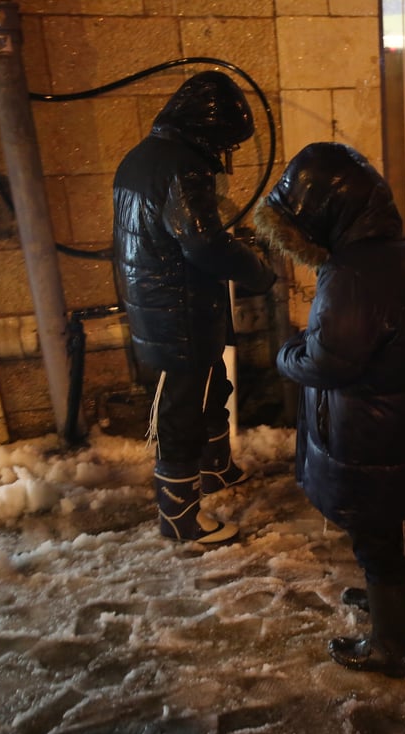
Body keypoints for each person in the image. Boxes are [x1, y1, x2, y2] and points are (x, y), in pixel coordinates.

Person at [254, 142, 405, 679]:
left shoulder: (354, 272)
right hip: (398, 422)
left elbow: (330, 360)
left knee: (375, 533)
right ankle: (395, 607)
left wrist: (288, 353)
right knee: (393, 521)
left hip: (368, 432)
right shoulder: (401, 250)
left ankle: (390, 646)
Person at [112, 71, 276, 545]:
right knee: (184, 408)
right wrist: (258, 271)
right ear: (209, 130)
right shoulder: (185, 167)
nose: (229, 153)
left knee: (210, 386)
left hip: (156, 298)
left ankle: (215, 468)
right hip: (179, 307)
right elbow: (203, 243)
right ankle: (179, 515)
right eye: (226, 141)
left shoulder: (141, 158)